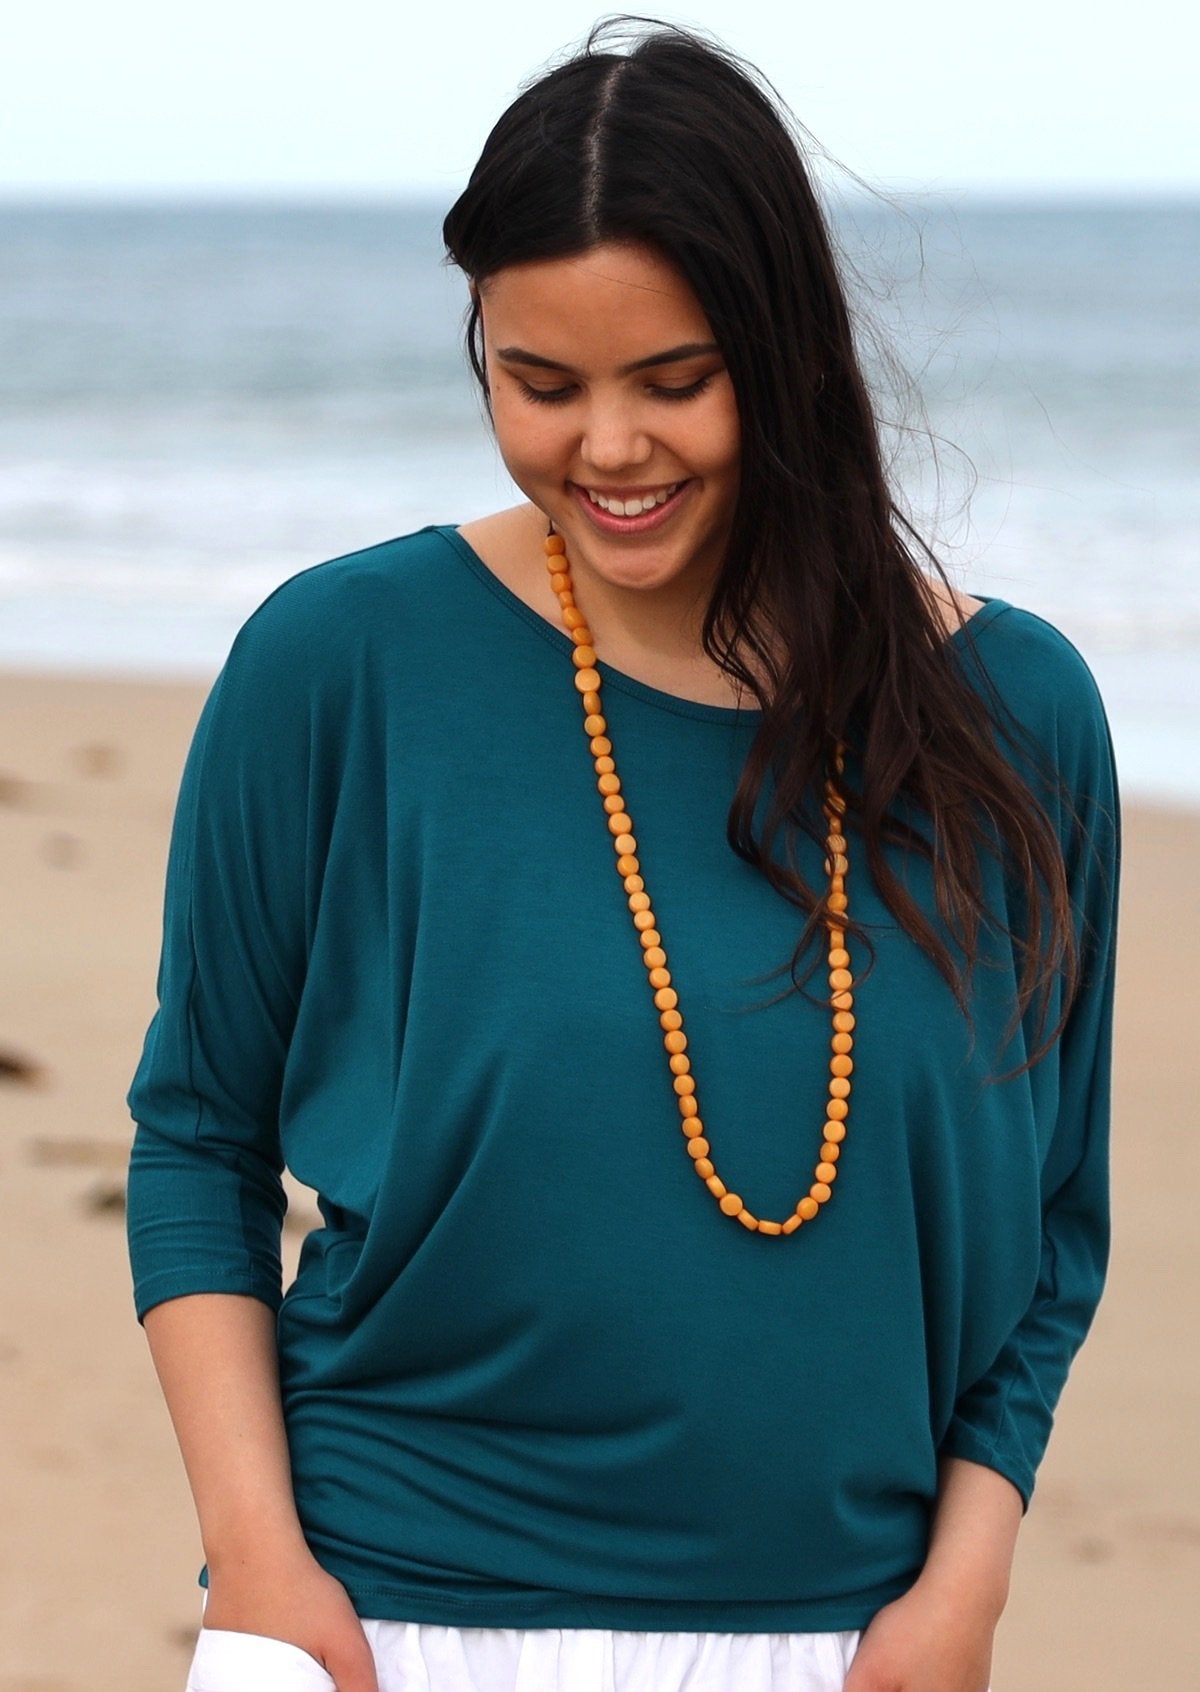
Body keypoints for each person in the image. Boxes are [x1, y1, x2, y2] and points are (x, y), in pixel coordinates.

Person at [126, 19, 1119, 1692]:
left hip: (849, 1638)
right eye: (539, 383)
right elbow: (196, 1140)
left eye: (674, 381)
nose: (607, 450)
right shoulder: (337, 664)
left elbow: (1057, 1222)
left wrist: (963, 1595)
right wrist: (262, 1572)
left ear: (791, 352)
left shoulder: (1016, 715)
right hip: (378, 1614)